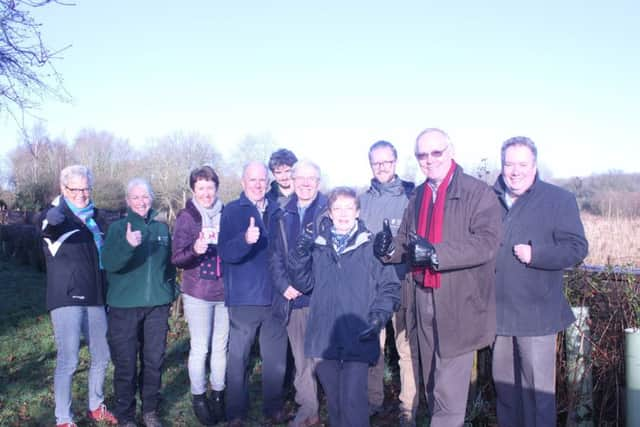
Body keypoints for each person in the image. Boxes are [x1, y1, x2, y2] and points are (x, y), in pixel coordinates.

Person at [374, 128, 502, 426]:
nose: (429, 160)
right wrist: (388, 248)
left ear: (451, 151)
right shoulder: (418, 194)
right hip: (421, 297)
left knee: (449, 390)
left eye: (436, 152)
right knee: (431, 380)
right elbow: (406, 241)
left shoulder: (477, 192)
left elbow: (487, 243)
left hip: (458, 301)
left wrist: (436, 254)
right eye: (422, 155)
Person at [492, 136, 588, 427]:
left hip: (537, 314)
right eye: (509, 164)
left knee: (538, 394)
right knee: (505, 391)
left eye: (522, 164)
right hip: (498, 315)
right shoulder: (488, 199)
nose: (515, 171)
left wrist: (537, 254)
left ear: (534, 166)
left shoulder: (558, 200)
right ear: (502, 165)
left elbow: (577, 249)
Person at [289, 187, 400, 427]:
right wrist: (300, 254)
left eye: (349, 208)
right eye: (337, 208)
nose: (343, 214)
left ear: (358, 212)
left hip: (358, 334)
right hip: (324, 336)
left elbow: (390, 287)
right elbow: (303, 283)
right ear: (329, 213)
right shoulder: (318, 246)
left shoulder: (371, 246)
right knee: (336, 401)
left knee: (353, 399)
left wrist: (378, 318)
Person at [41, 165, 117, 427]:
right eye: (76, 189)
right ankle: (63, 418)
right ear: (64, 189)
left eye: (86, 188)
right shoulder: (56, 216)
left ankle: (96, 406)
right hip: (66, 297)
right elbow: (47, 231)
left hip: (96, 296)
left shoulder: (95, 218)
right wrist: (52, 219)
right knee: (69, 358)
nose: (83, 194)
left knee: (102, 354)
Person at [218, 161, 289, 426]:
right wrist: (245, 241)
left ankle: (273, 407)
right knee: (238, 358)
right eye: (253, 180)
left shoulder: (276, 210)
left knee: (275, 359)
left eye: (262, 180)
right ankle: (235, 413)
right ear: (242, 182)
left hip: (274, 297)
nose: (258, 185)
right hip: (245, 299)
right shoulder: (233, 212)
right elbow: (225, 252)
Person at [102, 178, 177, 427]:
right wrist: (128, 245)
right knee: (125, 364)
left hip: (157, 306)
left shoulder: (161, 229)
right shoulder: (117, 229)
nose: (141, 201)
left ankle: (150, 411)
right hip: (124, 308)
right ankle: (125, 416)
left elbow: (169, 265)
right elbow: (110, 264)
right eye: (136, 197)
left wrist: (170, 290)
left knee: (153, 361)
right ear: (127, 201)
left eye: (145, 197)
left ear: (151, 198)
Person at [358, 140, 419, 426]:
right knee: (373, 346)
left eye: (387, 162)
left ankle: (409, 405)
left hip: (404, 281)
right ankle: (373, 401)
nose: (381, 167)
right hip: (372, 287)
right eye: (376, 162)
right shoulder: (363, 200)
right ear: (370, 164)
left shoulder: (411, 195)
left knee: (406, 347)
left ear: (395, 162)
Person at [269, 160, 327, 427]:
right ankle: (309, 410)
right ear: (292, 180)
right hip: (294, 297)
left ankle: (339, 408)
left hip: (324, 297)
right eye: (300, 178)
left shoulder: (330, 210)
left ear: (319, 182)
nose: (305, 183)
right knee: (302, 358)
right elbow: (275, 257)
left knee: (326, 357)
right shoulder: (281, 212)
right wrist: (283, 286)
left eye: (311, 179)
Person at [171, 166, 228, 426]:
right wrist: (194, 249)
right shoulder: (187, 217)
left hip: (225, 291)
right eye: (201, 188)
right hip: (197, 292)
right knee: (200, 347)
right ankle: (198, 396)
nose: (206, 193)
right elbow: (177, 258)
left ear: (217, 188)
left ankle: (218, 394)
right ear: (193, 190)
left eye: (210, 187)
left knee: (220, 347)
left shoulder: (227, 213)